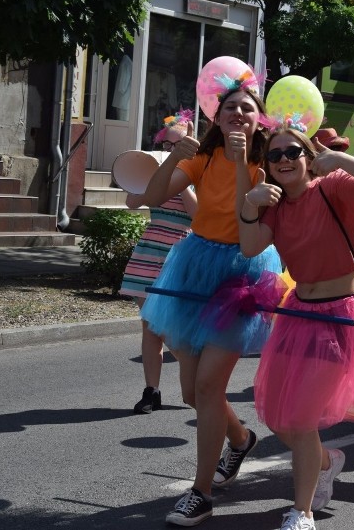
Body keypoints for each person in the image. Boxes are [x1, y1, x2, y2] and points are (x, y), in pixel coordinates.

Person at [237, 125, 354, 530]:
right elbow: (250, 246)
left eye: (292, 151)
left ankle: (301, 512)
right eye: (275, 154)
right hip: (300, 314)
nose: (284, 159)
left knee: (300, 421)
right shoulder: (276, 205)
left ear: (308, 155)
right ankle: (327, 461)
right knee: (281, 420)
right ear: (267, 164)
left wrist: (339, 160)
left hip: (342, 318)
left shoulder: (334, 186)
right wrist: (249, 205)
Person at [139, 84, 282, 526]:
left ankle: (200, 493)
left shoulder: (269, 165)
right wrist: (171, 156)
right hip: (194, 266)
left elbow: (246, 223)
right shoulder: (202, 157)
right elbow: (150, 196)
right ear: (217, 117)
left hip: (240, 274)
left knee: (206, 388)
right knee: (191, 393)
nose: (238, 112)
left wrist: (241, 163)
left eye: (248, 108)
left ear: (260, 120)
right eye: (230, 107)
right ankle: (240, 440)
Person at [120, 113, 197, 415]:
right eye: (167, 143)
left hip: (177, 256)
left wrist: (179, 181)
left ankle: (196, 375)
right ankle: (151, 391)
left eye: (177, 143)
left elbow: (199, 215)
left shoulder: (197, 172)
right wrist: (158, 174)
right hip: (150, 254)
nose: (171, 149)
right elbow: (131, 202)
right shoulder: (157, 169)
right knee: (150, 328)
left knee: (165, 328)